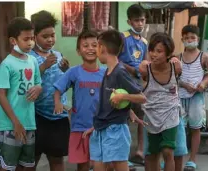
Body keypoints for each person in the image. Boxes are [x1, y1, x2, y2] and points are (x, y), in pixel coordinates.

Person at [90, 29, 146, 171]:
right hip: (101, 128)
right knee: (98, 166)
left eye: (96, 45)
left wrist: (123, 96)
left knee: (119, 166)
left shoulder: (120, 72)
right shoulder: (107, 71)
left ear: (102, 47)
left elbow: (142, 97)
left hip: (116, 130)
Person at [0, 17, 42, 171]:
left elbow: (38, 83)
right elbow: (1, 95)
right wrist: (15, 122)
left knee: (26, 165)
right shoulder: (7, 64)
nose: (30, 43)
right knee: (8, 165)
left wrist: (38, 88)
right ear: (13, 40)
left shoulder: (33, 61)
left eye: (32, 38)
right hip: (10, 125)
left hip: (28, 122)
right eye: (26, 39)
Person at [54, 30, 106, 171]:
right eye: (85, 46)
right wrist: (58, 103)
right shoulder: (73, 72)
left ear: (100, 49)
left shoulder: (106, 73)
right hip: (80, 127)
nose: (90, 49)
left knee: (100, 165)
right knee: (83, 165)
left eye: (94, 45)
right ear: (78, 51)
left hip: (100, 127)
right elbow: (58, 90)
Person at [28, 10, 70, 171]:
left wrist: (67, 71)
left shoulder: (58, 55)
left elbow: (65, 82)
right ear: (34, 36)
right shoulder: (30, 57)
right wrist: (44, 66)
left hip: (58, 115)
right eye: (45, 36)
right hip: (36, 116)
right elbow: (27, 81)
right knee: (32, 159)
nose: (50, 40)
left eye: (52, 35)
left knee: (57, 159)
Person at [139, 32, 182, 171]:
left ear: (169, 54)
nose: (154, 54)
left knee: (168, 151)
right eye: (151, 50)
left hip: (171, 114)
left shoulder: (176, 68)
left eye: (159, 51)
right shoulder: (145, 70)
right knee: (152, 154)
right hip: (151, 116)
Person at [178, 25, 208, 171]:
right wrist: (183, 83)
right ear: (182, 39)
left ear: (198, 39)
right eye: (187, 38)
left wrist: (203, 83)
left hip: (196, 97)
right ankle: (176, 159)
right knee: (178, 129)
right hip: (180, 97)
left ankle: (192, 159)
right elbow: (174, 78)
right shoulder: (178, 58)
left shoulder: (203, 56)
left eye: (192, 37)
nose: (190, 40)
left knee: (195, 128)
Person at [118, 4, 148, 165]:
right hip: (123, 83)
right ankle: (124, 154)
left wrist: (143, 80)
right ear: (129, 22)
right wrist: (134, 71)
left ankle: (140, 151)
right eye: (136, 21)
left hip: (138, 85)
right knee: (124, 118)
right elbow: (116, 60)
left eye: (142, 20)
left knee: (141, 117)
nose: (140, 24)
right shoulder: (122, 37)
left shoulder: (144, 42)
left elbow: (146, 64)